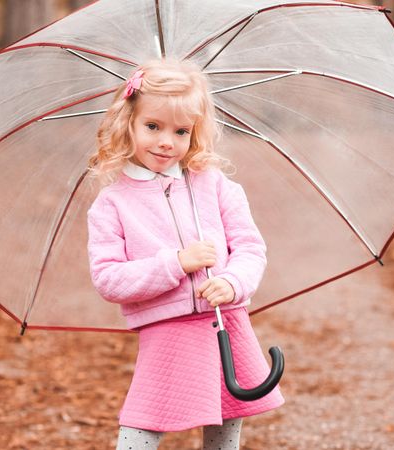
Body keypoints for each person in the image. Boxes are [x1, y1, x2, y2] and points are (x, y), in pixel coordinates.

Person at [86, 59, 284, 450]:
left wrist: (232, 283)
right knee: (143, 425)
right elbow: (108, 278)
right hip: (167, 330)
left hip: (225, 321)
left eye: (181, 131)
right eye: (153, 127)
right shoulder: (113, 204)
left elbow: (249, 247)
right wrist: (175, 264)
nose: (166, 142)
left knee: (227, 418)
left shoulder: (213, 185)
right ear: (128, 122)